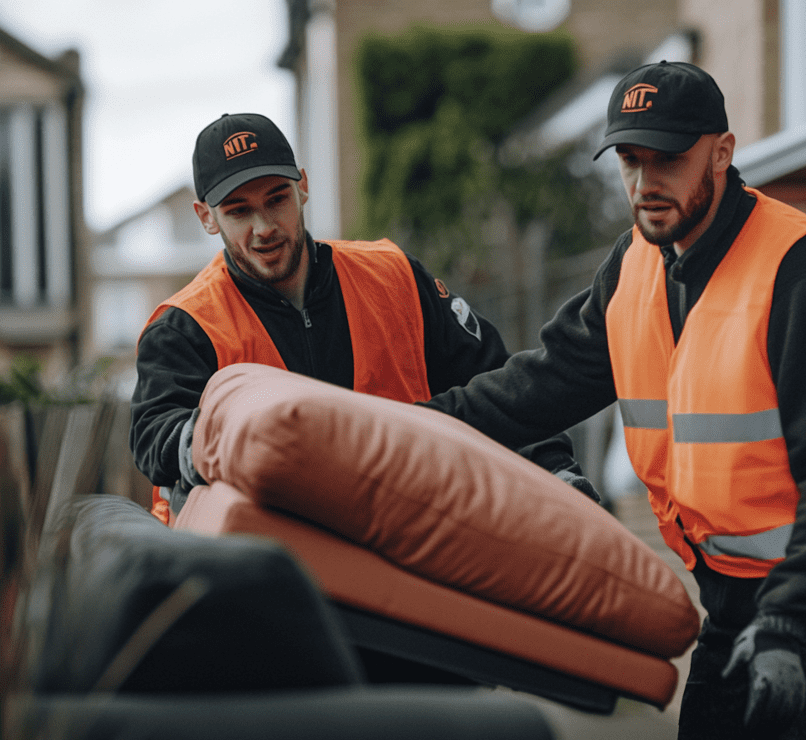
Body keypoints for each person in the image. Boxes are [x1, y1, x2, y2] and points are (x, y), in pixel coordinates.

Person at [425, 62, 806, 740]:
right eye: (630, 160)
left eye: (668, 159)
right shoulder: (637, 264)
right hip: (735, 614)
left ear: (722, 152)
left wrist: (789, 616)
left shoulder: (803, 270)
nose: (645, 183)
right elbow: (540, 383)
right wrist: (410, 424)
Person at [130, 113, 595, 524]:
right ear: (206, 218)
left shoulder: (394, 277)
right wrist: (244, 436)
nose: (264, 227)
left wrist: (558, 475)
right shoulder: (185, 326)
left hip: (410, 528)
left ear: (303, 187)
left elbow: (497, 386)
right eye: (239, 212)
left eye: (276, 199)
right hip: (271, 553)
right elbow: (154, 436)